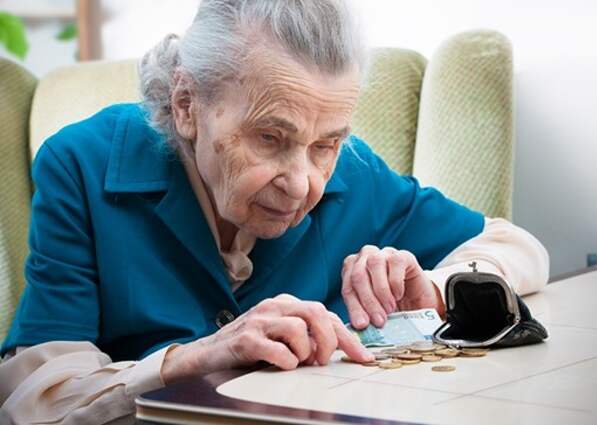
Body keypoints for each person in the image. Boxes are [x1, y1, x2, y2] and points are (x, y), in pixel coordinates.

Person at [0, 0, 549, 423]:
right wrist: (194, 358)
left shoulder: (354, 172)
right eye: (269, 136)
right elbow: (33, 397)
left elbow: (517, 246)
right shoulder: (82, 162)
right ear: (187, 104)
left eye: (325, 144)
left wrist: (432, 287)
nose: (302, 182)